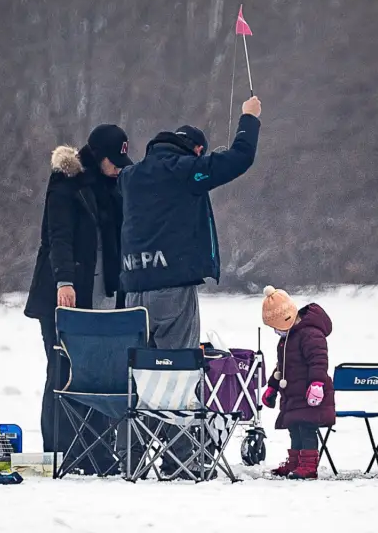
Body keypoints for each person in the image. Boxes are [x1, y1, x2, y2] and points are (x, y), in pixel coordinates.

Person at [116, 96, 261, 477]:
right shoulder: (185, 170)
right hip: (172, 290)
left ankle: (130, 454)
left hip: (133, 292)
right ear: (196, 150)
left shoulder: (131, 177)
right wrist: (249, 119)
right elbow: (239, 159)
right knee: (178, 373)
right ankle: (182, 460)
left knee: (141, 376)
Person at [23, 124, 133, 473]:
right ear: (98, 157)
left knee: (99, 373)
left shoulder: (115, 187)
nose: (118, 167)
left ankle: (98, 452)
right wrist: (64, 281)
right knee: (62, 370)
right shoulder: (66, 182)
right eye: (113, 161)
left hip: (102, 296)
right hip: (63, 295)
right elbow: (59, 235)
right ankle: (61, 452)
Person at [260, 286, 336, 480]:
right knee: (295, 427)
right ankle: (295, 461)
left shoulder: (310, 334)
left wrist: (317, 384)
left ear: (287, 319)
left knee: (307, 427)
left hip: (310, 393)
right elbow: (281, 367)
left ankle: (309, 465)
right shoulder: (287, 339)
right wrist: (272, 387)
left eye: (276, 327)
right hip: (293, 393)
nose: (276, 332)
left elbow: (319, 360)